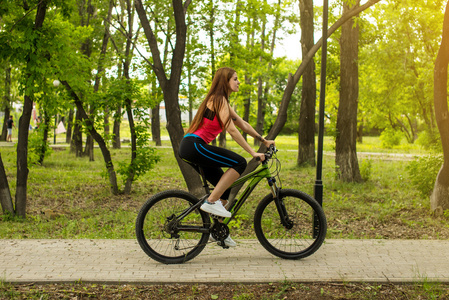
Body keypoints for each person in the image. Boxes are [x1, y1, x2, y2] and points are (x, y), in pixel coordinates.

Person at [178, 67, 275, 247]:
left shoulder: (223, 102)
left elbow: (243, 124)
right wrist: (252, 153)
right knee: (239, 162)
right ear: (226, 81)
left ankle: (218, 231)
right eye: (235, 79)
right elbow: (231, 130)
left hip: (193, 147)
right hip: (194, 145)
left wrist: (263, 140)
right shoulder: (218, 99)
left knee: (225, 189)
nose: (238, 82)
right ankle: (211, 201)